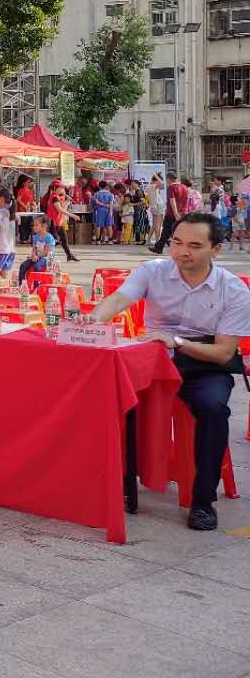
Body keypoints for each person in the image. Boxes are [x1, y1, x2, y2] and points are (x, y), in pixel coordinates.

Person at [89, 212, 250, 530]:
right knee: (101, 388)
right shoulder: (153, 270)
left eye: (194, 246)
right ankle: (106, 478)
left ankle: (203, 501)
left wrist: (176, 342)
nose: (182, 252)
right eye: (177, 242)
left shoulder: (233, 290)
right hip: (152, 360)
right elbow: (119, 299)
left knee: (213, 409)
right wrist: (93, 320)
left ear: (216, 250)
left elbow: (223, 353)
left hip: (204, 365)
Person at [17, 215, 56, 285]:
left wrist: (36, 256)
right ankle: (21, 285)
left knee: (37, 267)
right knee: (23, 265)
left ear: (44, 226)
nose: (34, 227)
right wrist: (33, 255)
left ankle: (37, 286)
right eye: (33, 225)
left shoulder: (49, 237)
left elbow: (46, 252)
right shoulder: (35, 237)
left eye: (36, 225)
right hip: (37, 257)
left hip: (47, 258)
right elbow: (34, 249)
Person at [45, 182, 78, 261]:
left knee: (64, 239)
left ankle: (69, 255)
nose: (62, 190)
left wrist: (68, 201)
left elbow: (62, 208)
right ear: (54, 188)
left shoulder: (56, 197)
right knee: (51, 241)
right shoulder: (54, 197)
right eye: (61, 188)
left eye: (63, 188)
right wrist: (72, 215)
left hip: (58, 222)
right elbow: (59, 210)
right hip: (53, 222)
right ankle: (47, 258)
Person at [0, 189, 17, 277]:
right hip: (11, 249)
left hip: (0, 249)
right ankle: (6, 285)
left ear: (1, 199)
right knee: (4, 273)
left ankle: (1, 285)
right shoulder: (11, 212)